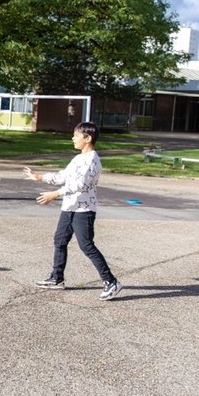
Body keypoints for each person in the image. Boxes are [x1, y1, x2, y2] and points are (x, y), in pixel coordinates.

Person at [22, 121, 122, 301]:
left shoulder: (92, 159)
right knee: (60, 240)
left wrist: (55, 194)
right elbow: (64, 176)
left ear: (88, 138)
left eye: (76, 135)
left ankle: (111, 281)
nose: (73, 138)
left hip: (84, 210)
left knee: (86, 245)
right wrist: (40, 177)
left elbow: (79, 185)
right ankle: (57, 278)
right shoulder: (78, 158)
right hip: (69, 207)